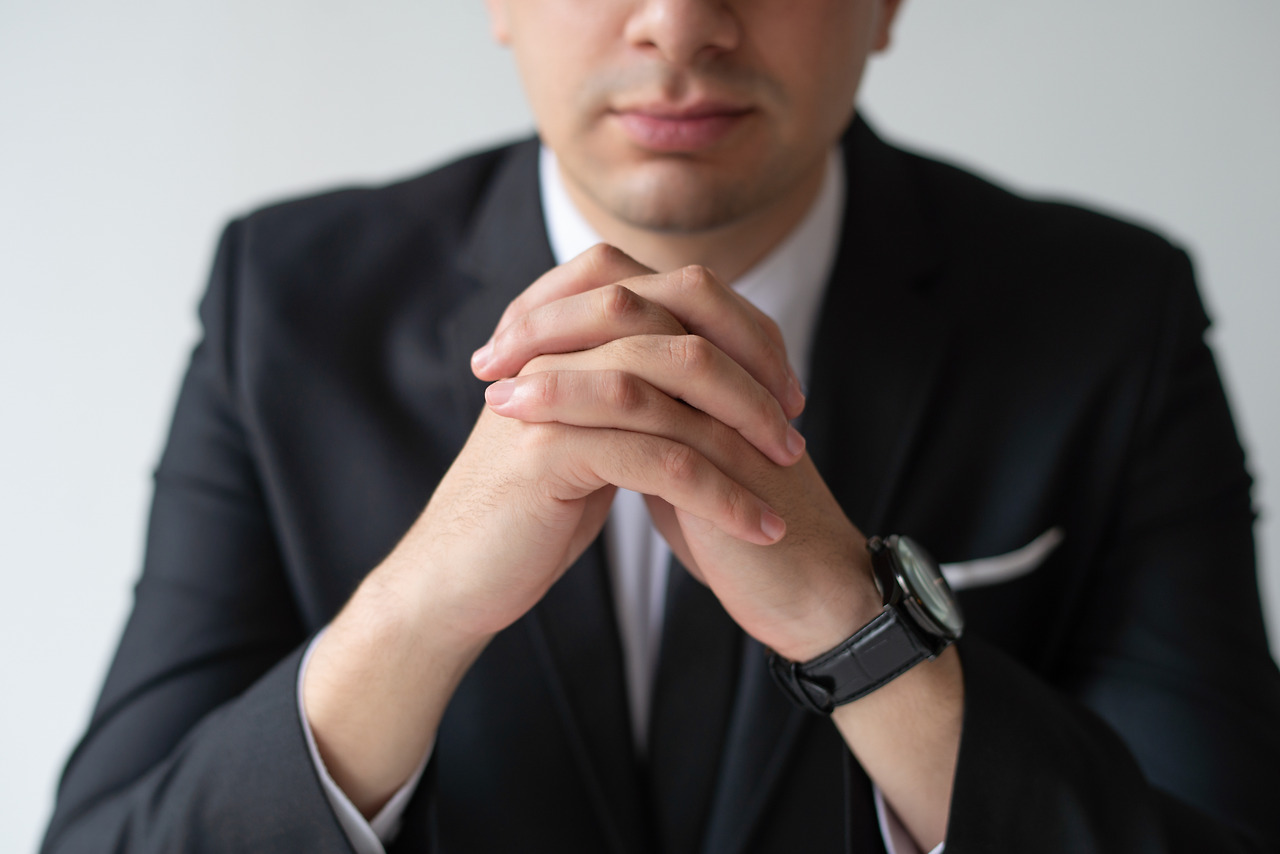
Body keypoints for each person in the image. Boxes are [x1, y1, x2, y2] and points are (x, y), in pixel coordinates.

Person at [41, 1, 1280, 852]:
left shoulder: (1113, 314)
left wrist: (860, 631)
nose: (681, 22)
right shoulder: (287, 302)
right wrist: (417, 607)